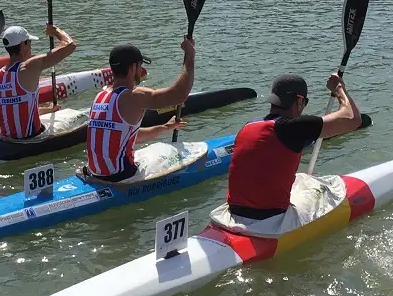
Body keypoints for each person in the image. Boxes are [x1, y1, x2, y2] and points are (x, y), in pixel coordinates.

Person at [223, 73, 361, 220]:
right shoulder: (294, 127)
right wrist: (338, 88)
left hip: (235, 211)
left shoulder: (248, 127)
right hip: (269, 217)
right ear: (300, 101)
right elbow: (353, 118)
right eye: (305, 102)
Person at [84, 41, 194, 183]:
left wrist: (165, 127)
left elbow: (128, 135)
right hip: (121, 176)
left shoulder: (99, 97)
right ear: (132, 68)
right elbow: (179, 95)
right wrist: (190, 55)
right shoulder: (134, 96)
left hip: (94, 174)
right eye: (140, 66)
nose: (141, 71)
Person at [0, 24, 75, 140]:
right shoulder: (28, 67)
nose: (31, 47)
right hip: (30, 140)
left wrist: (49, 110)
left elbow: (16, 110)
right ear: (22, 45)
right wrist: (56, 31)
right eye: (29, 42)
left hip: (5, 139)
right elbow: (70, 46)